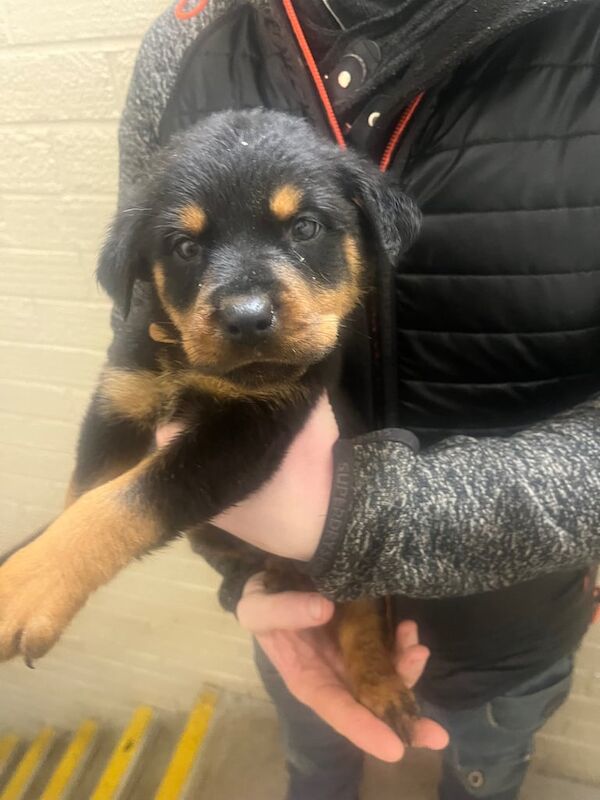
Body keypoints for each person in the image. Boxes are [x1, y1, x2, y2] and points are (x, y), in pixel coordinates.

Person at [126, 2, 600, 798]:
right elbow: (153, 342)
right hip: (298, 617)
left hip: (512, 626)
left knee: (483, 773)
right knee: (317, 771)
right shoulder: (186, 43)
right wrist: (241, 568)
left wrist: (363, 514)